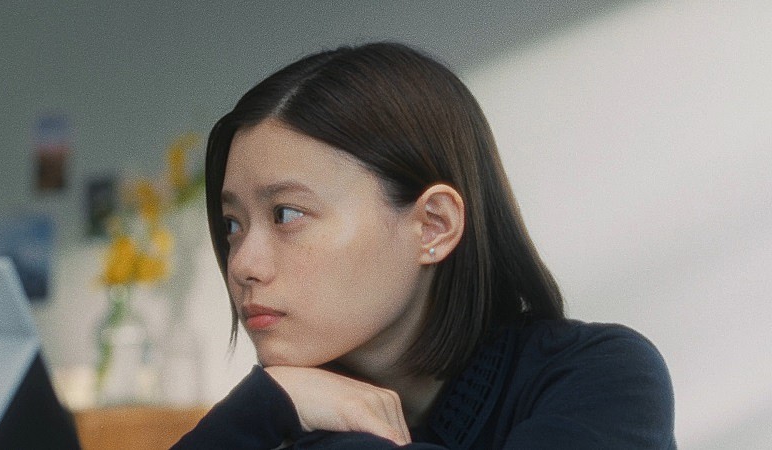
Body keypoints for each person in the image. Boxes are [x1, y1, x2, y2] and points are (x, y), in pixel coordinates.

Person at [173, 42, 675, 449]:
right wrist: (267, 406)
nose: (243, 263)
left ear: (433, 226)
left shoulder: (602, 377)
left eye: (287, 214)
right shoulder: (283, 415)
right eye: (233, 224)